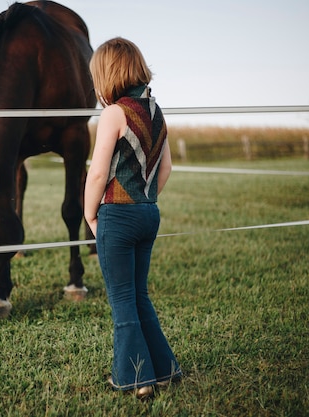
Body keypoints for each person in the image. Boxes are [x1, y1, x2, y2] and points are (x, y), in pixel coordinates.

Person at [84, 37, 182, 399]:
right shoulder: (156, 111)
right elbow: (167, 167)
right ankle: (165, 369)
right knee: (140, 295)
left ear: (108, 75)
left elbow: (96, 175)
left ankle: (136, 379)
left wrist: (89, 213)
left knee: (122, 300)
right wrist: (145, 198)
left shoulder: (114, 113)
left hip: (117, 216)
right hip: (148, 213)